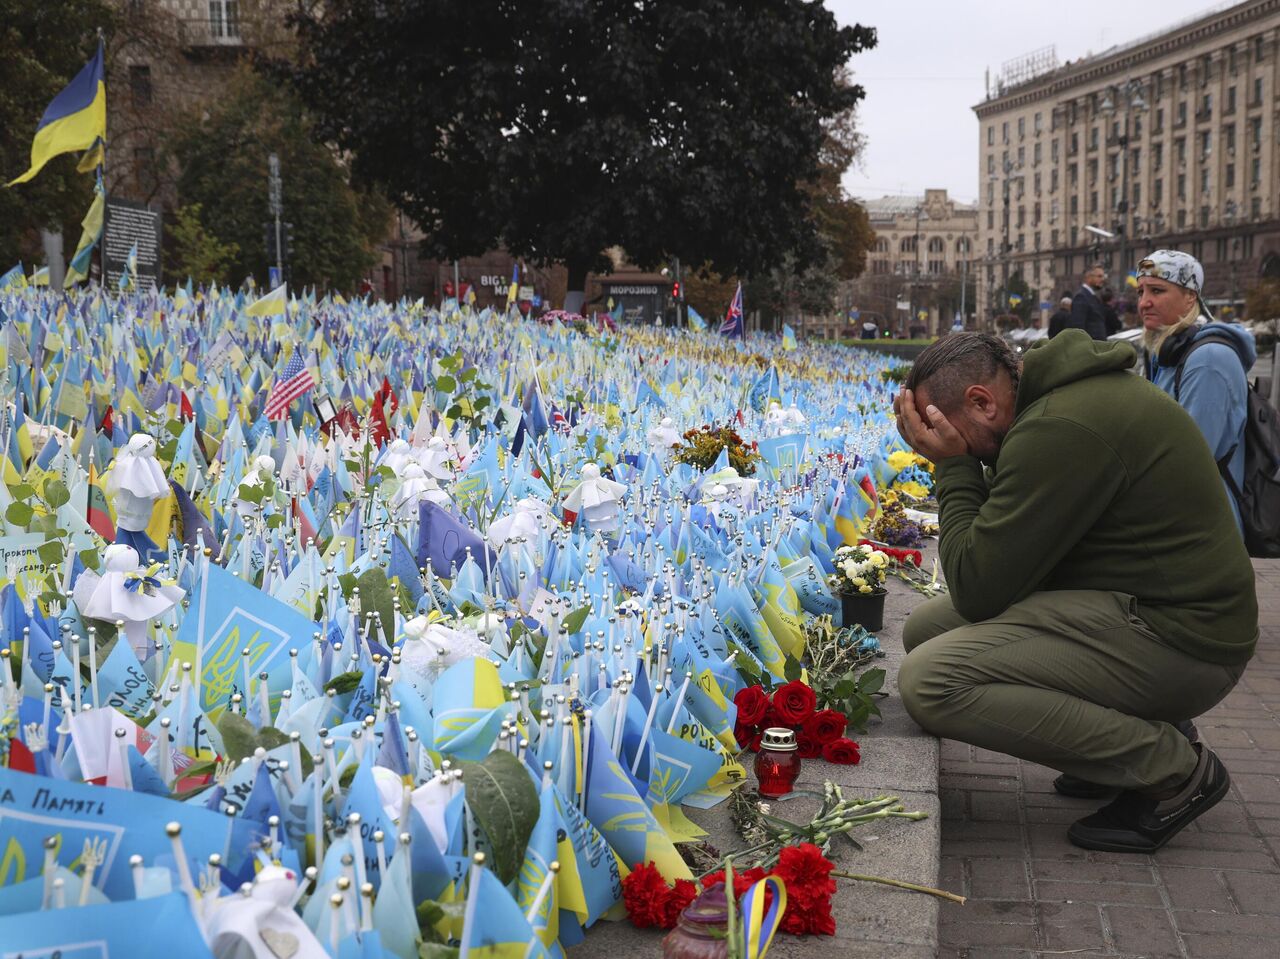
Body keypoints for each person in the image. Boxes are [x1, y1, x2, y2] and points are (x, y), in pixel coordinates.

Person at [892, 331, 1257, 853]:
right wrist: (963, 457)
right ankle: (1118, 747)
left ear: (981, 401)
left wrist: (953, 466)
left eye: (942, 428)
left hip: (1185, 642)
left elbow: (976, 586)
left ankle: (1173, 771)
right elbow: (999, 564)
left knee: (932, 682)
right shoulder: (1059, 401)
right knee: (925, 629)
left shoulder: (1059, 427)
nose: (942, 441)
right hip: (1155, 613)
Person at [1137, 249, 1255, 535]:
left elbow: (1190, 459)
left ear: (1191, 296)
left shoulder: (1209, 359)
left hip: (1203, 532)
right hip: (1178, 520)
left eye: (1157, 290)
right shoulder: (1164, 355)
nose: (1144, 302)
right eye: (1140, 292)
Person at [1066, 263, 1109, 340]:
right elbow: (1078, 328)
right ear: (1088, 278)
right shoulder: (1081, 297)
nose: (1102, 279)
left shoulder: (1092, 296)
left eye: (1103, 276)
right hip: (1090, 348)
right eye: (1099, 276)